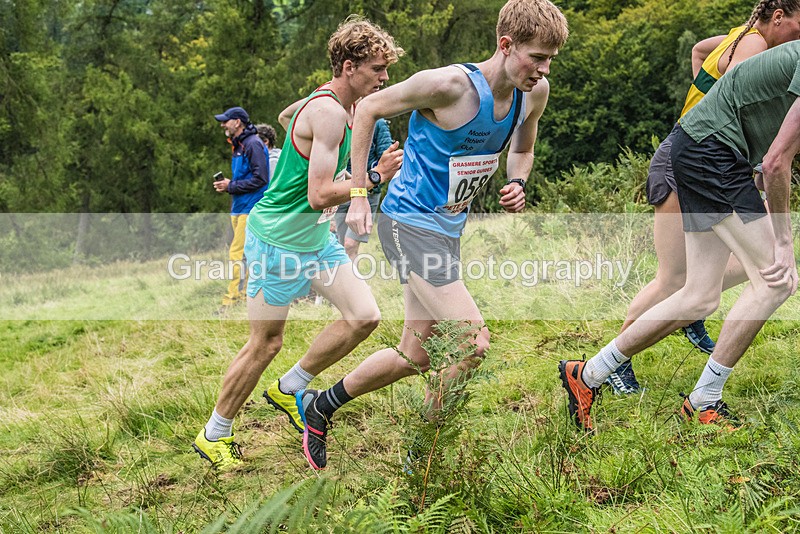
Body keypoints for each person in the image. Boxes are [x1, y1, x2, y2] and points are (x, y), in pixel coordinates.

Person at [294, 0, 570, 470]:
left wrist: (517, 181)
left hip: (447, 229)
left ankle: (322, 405)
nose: (543, 70)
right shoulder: (447, 85)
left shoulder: (532, 94)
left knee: (415, 355)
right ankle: (422, 458)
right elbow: (367, 111)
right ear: (506, 46)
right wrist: (359, 192)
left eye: (550, 60)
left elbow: (522, 146)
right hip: (407, 222)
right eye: (537, 57)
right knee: (471, 342)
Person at [192, 17, 404, 471]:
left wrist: (301, 139)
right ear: (349, 67)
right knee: (264, 344)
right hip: (277, 241)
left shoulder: (344, 107)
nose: (384, 78)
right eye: (377, 69)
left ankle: (291, 387)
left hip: (314, 239)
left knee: (364, 316)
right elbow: (318, 194)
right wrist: (373, 177)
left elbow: (291, 117)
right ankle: (215, 434)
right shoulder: (328, 111)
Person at [559, 41, 800, 432]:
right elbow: (775, 164)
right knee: (777, 280)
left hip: (702, 149)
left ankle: (585, 375)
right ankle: (705, 400)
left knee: (699, 295)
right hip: (712, 152)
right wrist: (784, 243)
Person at [605, 0, 800, 395]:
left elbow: (697, 51)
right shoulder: (755, 47)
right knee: (673, 278)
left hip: (703, 149)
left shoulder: (738, 36)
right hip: (695, 155)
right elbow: (744, 105)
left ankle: (687, 313)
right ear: (778, 17)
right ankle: (614, 363)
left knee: (704, 283)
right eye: (798, 27)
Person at [213, 106, 271, 314]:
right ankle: (246, 297)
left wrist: (231, 186)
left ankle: (231, 301)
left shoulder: (253, 144)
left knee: (237, 253)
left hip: (251, 207)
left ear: (237, 122)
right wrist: (227, 186)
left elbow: (261, 179)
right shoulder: (239, 145)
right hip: (238, 207)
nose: (222, 125)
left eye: (225, 121)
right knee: (244, 254)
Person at [332, 118, 394, 260]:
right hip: (342, 192)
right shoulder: (340, 119)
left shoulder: (378, 123)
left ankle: (350, 280)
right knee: (341, 245)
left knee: (350, 244)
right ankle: (347, 280)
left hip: (367, 192)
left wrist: (372, 181)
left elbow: (386, 159)